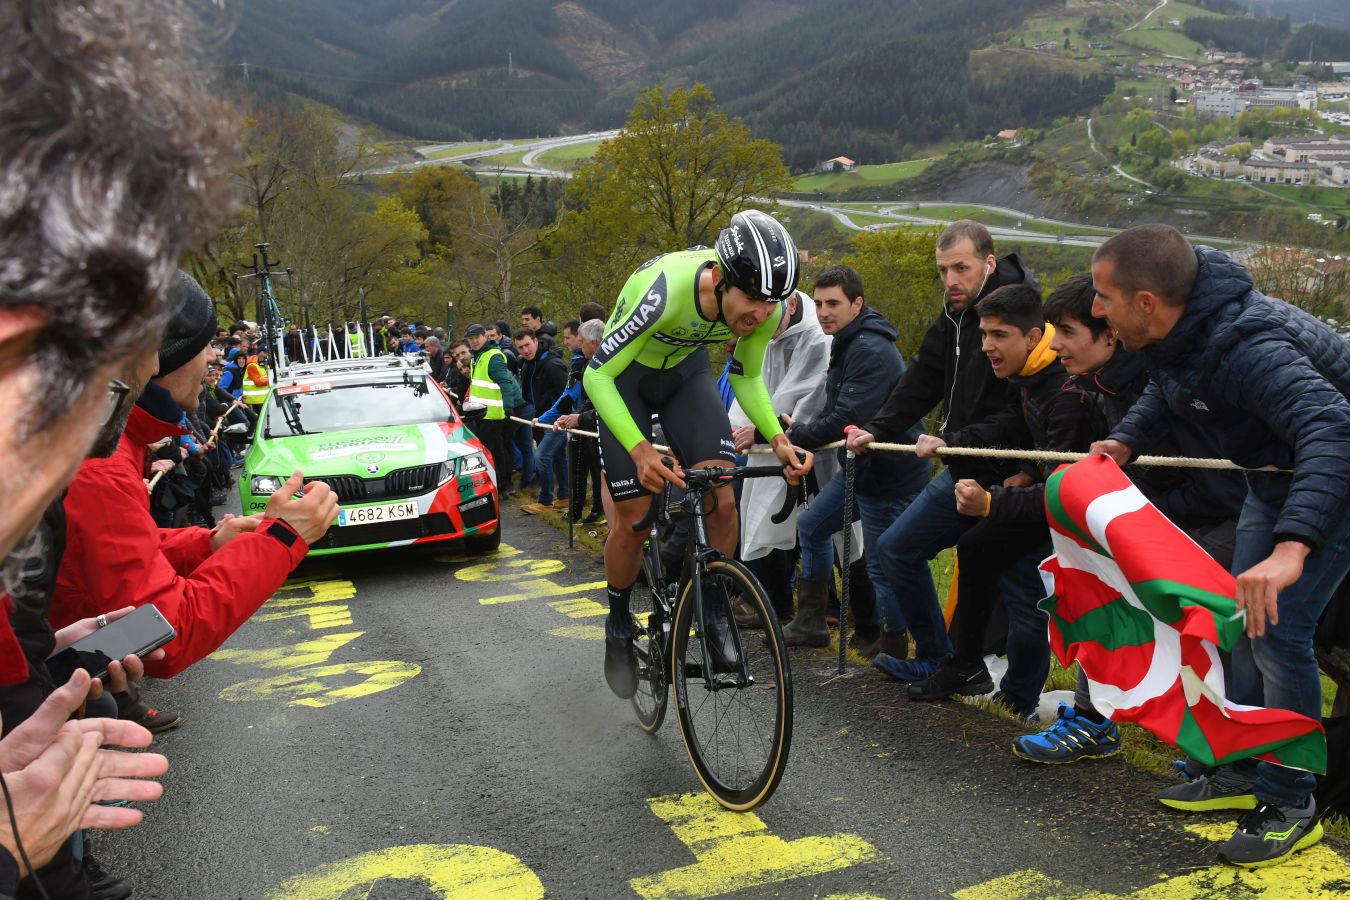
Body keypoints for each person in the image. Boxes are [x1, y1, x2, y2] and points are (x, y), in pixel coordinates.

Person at [0, 0, 237, 893]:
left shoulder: (122, 444)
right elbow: (159, 622)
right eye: (113, 384)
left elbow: (121, 580)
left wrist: (64, 656)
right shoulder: (102, 460)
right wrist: (278, 541)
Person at [1089, 224, 1350, 867]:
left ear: (1147, 301)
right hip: (1272, 477)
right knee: (1237, 618)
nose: (1097, 310)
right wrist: (1126, 439)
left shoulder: (1250, 346)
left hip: (1333, 475)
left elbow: (1331, 427)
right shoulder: (1175, 328)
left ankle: (1292, 800)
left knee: (1280, 632)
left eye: (1104, 296)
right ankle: (1241, 768)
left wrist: (1293, 549)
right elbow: (1166, 382)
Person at [51, 273, 340, 680]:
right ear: (161, 357)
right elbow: (160, 632)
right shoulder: (102, 465)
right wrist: (283, 539)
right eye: (204, 344)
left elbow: (100, 559)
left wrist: (206, 544)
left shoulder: (111, 444)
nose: (212, 359)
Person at [1006, 273, 1245, 766]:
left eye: (1067, 332)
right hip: (1174, 512)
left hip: (1227, 514)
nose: (1057, 346)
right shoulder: (1095, 383)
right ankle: (1098, 719)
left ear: (1110, 333)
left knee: (1156, 591)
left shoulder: (1151, 381)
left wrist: (1139, 522)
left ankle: (1225, 748)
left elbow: (1202, 472)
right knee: (1098, 571)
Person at [584, 210, 813, 699]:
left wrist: (776, 438)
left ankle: (712, 609)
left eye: (771, 303)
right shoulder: (665, 292)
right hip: (624, 381)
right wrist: (641, 448)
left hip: (685, 378)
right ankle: (619, 617)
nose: (759, 314)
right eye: (750, 299)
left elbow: (746, 377)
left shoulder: (764, 308)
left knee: (722, 496)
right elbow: (597, 375)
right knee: (636, 519)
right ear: (722, 280)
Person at [844, 220, 1043, 713]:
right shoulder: (954, 314)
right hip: (958, 465)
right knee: (895, 550)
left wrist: (954, 441)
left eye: (961, 268)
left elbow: (1019, 414)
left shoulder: (1015, 316)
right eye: (943, 270)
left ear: (988, 264)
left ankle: (1017, 700)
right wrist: (880, 426)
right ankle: (944, 659)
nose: (950, 280)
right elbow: (924, 376)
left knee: (1022, 591)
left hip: (1008, 475)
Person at [903, 284, 1093, 717]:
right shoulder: (1029, 374)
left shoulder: (1066, 392)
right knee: (979, 551)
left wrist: (993, 501)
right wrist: (955, 443)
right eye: (984, 333)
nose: (986, 345)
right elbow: (1019, 430)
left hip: (1058, 515)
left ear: (1031, 336)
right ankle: (967, 664)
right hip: (1033, 495)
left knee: (1027, 596)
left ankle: (1017, 695)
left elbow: (1068, 478)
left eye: (997, 335)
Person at [786, 265, 931, 655]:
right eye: (818, 304)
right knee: (813, 526)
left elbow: (844, 419)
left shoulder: (867, 348)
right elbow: (840, 412)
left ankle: (894, 644)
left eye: (834, 303)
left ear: (857, 303)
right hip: (862, 469)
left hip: (891, 472)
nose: (824, 312)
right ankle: (812, 621)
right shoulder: (849, 340)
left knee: (884, 562)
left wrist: (795, 434)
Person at [726, 287, 835, 627]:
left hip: (803, 446)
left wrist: (760, 431)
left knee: (790, 523)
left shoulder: (817, 339)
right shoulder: (772, 325)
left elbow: (807, 398)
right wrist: (736, 428)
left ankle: (792, 604)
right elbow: (755, 383)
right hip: (770, 444)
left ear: (787, 304)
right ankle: (769, 598)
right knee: (765, 518)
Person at [466, 323, 523, 494]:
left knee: (494, 453)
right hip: (481, 413)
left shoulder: (493, 356)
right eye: (471, 338)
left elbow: (505, 383)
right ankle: (502, 485)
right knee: (497, 451)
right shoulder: (477, 357)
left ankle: (500, 485)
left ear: (485, 336)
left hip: (494, 414)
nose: (474, 341)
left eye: (477, 337)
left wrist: (508, 407)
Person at [517, 330, 567, 514]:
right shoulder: (527, 364)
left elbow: (567, 392)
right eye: (521, 347)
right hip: (539, 415)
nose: (525, 350)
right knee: (559, 456)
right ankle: (564, 496)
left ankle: (546, 499)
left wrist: (561, 416)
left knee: (542, 456)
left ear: (536, 341)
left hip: (556, 418)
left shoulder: (552, 364)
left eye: (528, 344)